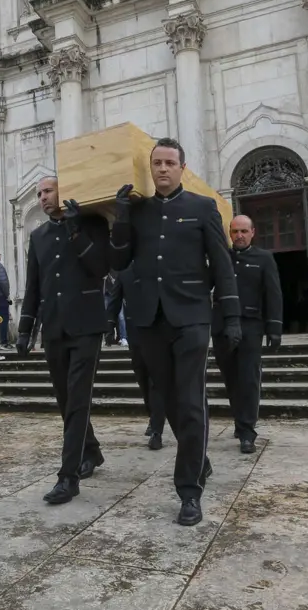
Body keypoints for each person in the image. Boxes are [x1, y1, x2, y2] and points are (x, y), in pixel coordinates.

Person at [109, 138, 241, 526]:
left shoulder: (202, 208)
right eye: (157, 163)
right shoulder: (139, 212)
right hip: (149, 320)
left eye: (170, 162)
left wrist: (231, 316)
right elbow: (119, 260)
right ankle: (199, 457)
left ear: (182, 168)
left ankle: (189, 490)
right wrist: (121, 218)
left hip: (192, 318)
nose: (163, 168)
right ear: (150, 169)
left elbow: (222, 264)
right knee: (166, 400)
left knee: (191, 399)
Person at [18, 176, 109, 503]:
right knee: (65, 399)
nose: (42, 197)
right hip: (54, 328)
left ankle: (68, 477)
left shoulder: (92, 223)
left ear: (64, 190)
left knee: (78, 399)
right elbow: (33, 286)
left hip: (86, 325)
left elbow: (101, 268)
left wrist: (75, 230)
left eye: (48, 191)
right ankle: (91, 450)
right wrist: (25, 328)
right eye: (39, 193)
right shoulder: (38, 236)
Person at [212, 215, 283, 454]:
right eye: (235, 231)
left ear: (253, 232)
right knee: (231, 378)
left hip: (251, 326)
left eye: (244, 231)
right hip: (222, 327)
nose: (239, 236)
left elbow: (273, 294)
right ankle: (240, 419)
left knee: (249, 379)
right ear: (229, 233)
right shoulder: (221, 258)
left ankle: (247, 432)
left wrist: (274, 328)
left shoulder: (264, 258)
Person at [105, 263, 167, 448]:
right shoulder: (124, 273)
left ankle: (156, 430)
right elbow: (114, 300)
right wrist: (109, 325)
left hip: (158, 331)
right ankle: (153, 415)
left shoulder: (158, 266)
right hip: (136, 334)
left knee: (156, 381)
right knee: (142, 377)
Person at [0, 251, 13, 350]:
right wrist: (7, 295)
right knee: (4, 318)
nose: (0, 257)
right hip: (1, 297)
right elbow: (3, 282)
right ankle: (4, 341)